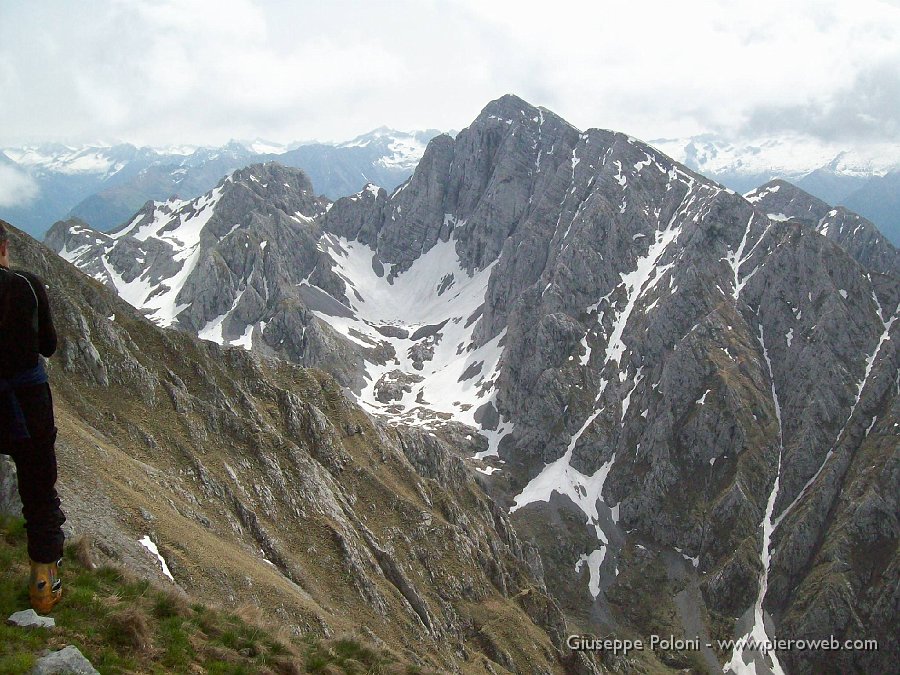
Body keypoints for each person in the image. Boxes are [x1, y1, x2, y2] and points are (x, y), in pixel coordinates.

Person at [0, 219, 66, 614]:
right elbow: (49, 344)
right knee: (39, 492)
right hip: (28, 404)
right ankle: (44, 586)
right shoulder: (25, 284)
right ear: (4, 248)